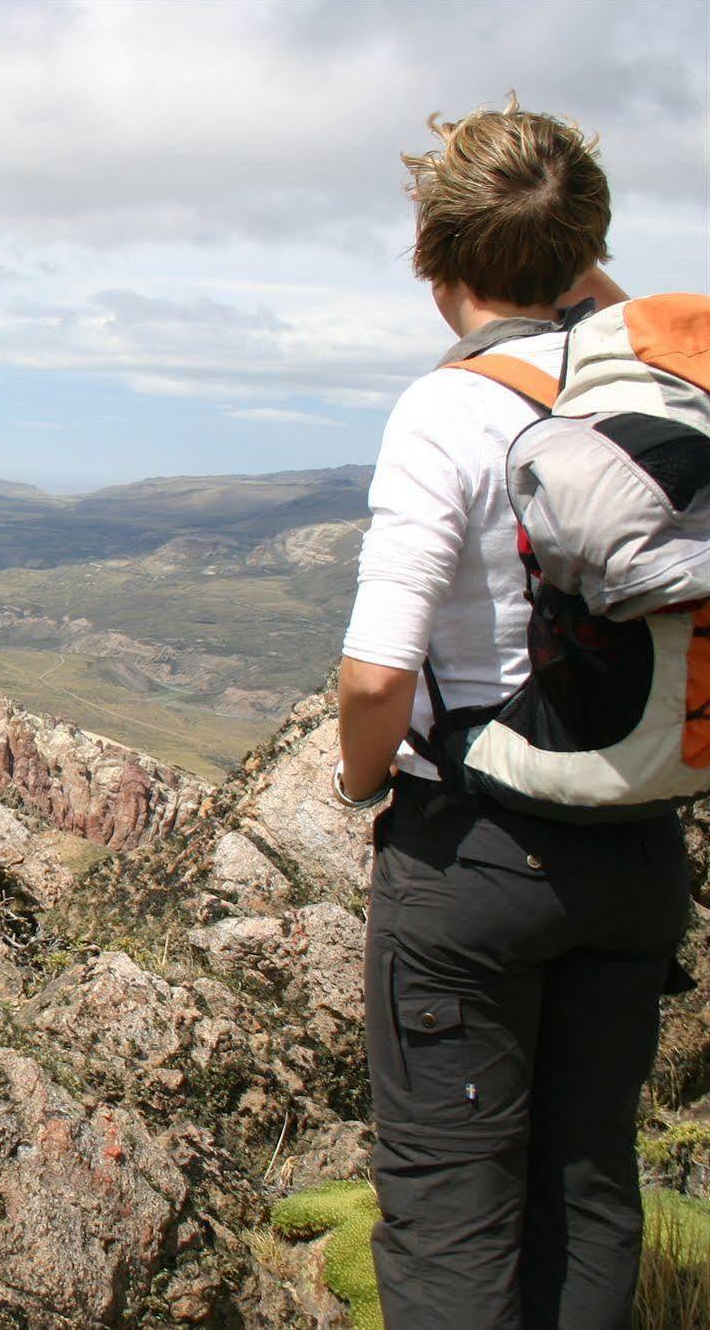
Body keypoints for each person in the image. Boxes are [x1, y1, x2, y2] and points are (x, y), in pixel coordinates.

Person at [334, 98, 693, 1329]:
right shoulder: (656, 384)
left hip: (476, 855)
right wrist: (564, 248)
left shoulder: (446, 408)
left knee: (448, 1210)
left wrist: (358, 786)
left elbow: (379, 672)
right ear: (582, 242)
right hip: (638, 841)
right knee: (590, 1191)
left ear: (435, 260)